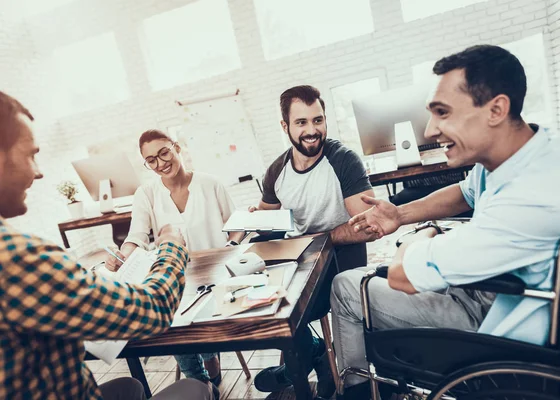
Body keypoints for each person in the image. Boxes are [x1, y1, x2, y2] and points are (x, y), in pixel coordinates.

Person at [333, 44, 560, 399]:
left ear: (496, 109)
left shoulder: (534, 197)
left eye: (443, 112)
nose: (430, 129)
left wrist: (418, 237)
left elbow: (402, 275)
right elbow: (465, 192)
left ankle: (357, 394)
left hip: (492, 336)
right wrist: (400, 214)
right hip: (499, 290)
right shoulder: (539, 151)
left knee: (349, 286)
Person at [0, 91, 214, 399]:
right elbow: (151, 310)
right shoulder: (19, 257)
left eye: (163, 153)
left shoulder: (207, 183)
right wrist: (170, 247)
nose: (38, 171)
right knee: (193, 388)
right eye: (29, 154)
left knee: (130, 385)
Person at [249, 85, 378, 398]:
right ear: (285, 127)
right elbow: (267, 217)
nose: (312, 130)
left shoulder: (343, 160)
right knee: (264, 304)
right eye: (301, 122)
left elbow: (367, 226)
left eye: (317, 120)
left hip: (341, 255)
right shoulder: (277, 170)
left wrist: (323, 238)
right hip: (303, 256)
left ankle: (309, 362)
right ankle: (312, 353)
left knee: (296, 310)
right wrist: (253, 222)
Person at [105, 129, 244, 390]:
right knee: (167, 318)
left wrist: (231, 246)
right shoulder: (146, 193)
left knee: (204, 344)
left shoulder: (210, 183)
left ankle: (209, 371)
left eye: (164, 152)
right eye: (151, 160)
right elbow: (137, 235)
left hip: (215, 279)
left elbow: (236, 225)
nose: (161, 163)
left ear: (176, 147)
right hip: (175, 278)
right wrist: (122, 255)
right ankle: (198, 384)